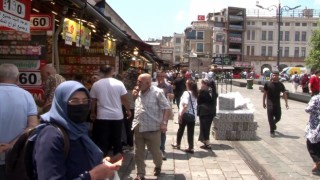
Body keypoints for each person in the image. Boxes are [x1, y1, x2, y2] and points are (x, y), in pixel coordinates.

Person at [33, 81, 120, 179]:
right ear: (61, 103)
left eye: (85, 100)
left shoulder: (78, 129)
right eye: (74, 101)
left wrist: (98, 163)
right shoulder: (51, 136)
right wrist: (92, 175)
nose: (81, 105)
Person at [0, 64, 38, 180]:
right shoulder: (27, 96)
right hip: (16, 158)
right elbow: (33, 126)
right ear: (17, 78)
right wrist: (11, 145)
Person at [131, 73, 171, 180]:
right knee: (138, 152)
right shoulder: (138, 91)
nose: (137, 83)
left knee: (155, 152)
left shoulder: (157, 92)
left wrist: (164, 123)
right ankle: (140, 173)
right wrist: (134, 96)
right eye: (137, 81)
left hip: (153, 128)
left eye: (140, 82)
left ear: (148, 83)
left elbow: (166, 107)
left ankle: (158, 165)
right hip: (139, 126)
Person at [90, 65, 131, 156]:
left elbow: (93, 100)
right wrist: (128, 110)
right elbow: (125, 99)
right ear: (111, 72)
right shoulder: (119, 83)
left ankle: (103, 159)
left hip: (102, 116)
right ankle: (117, 158)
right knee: (117, 139)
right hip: (117, 116)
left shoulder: (96, 84)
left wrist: (92, 112)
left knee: (103, 139)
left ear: (101, 72)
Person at [172, 79, 198, 153]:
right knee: (190, 132)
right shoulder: (195, 93)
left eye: (186, 83)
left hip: (185, 114)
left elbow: (185, 105)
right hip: (193, 115)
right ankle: (191, 147)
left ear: (188, 85)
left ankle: (178, 143)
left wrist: (181, 115)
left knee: (181, 129)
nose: (185, 84)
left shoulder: (186, 93)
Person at [263, 71, 289, 137]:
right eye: (273, 75)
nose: (274, 76)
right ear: (271, 76)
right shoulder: (267, 84)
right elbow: (265, 94)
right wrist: (263, 102)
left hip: (277, 104)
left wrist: (286, 103)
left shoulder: (280, 84)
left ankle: (273, 124)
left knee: (278, 117)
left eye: (276, 75)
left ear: (278, 76)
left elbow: (284, 94)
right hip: (269, 104)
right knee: (270, 118)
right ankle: (272, 131)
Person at [156, 70, 174, 160]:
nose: (160, 78)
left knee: (163, 130)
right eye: (159, 76)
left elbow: (172, 97)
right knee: (155, 130)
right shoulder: (153, 86)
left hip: (164, 111)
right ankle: (155, 148)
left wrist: (171, 96)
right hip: (154, 111)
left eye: (162, 76)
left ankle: (161, 149)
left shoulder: (168, 86)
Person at [197, 78, 218, 149]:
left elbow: (198, 101)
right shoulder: (213, 91)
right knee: (207, 127)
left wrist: (200, 91)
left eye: (202, 83)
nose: (201, 85)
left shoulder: (203, 91)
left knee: (204, 127)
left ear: (205, 84)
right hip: (211, 112)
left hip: (204, 112)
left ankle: (207, 142)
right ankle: (206, 142)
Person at [305, 94, 320, 175]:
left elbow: (308, 109)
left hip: (315, 126)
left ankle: (318, 162)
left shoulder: (316, 98)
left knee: (311, 144)